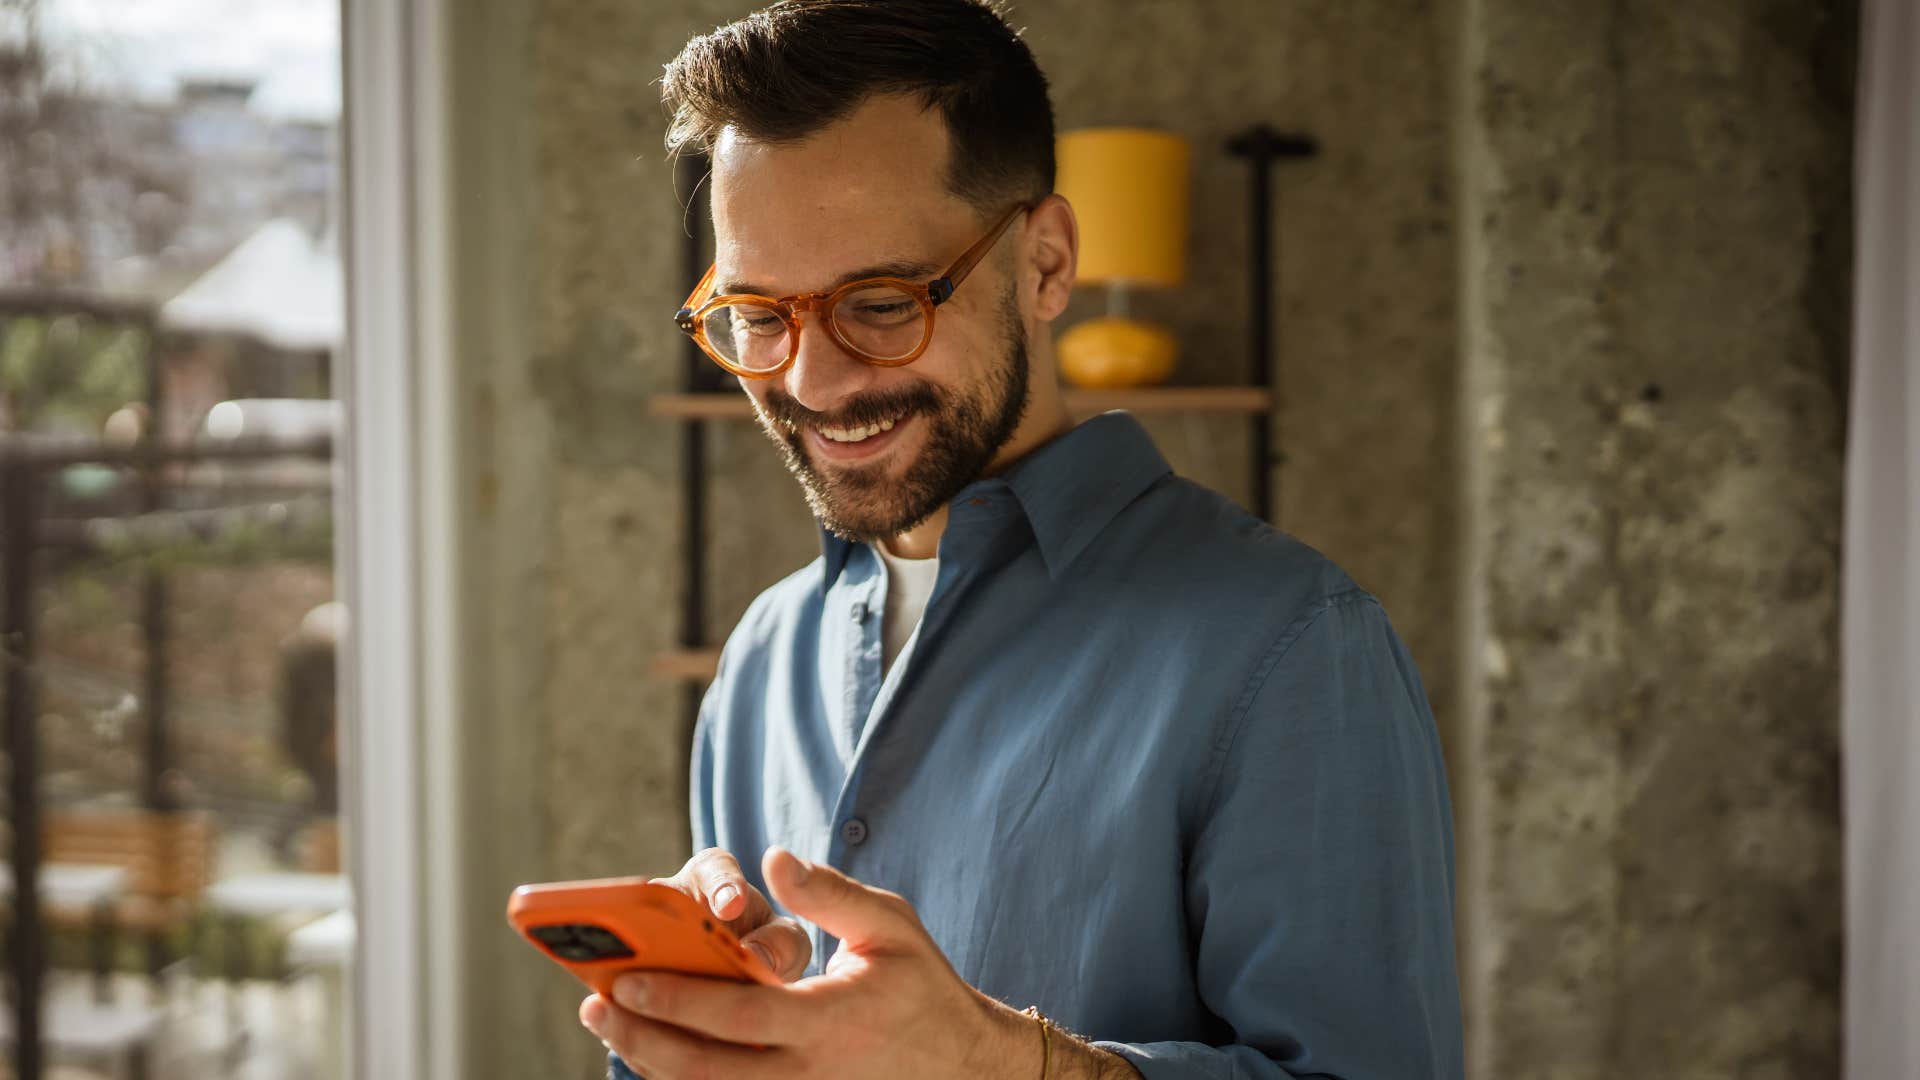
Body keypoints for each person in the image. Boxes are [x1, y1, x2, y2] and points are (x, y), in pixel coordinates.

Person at [582, 2, 1465, 1077]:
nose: (812, 382)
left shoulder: (1295, 647)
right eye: (759, 315)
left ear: (1045, 264)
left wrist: (1002, 1064)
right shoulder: (761, 657)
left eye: (878, 300)